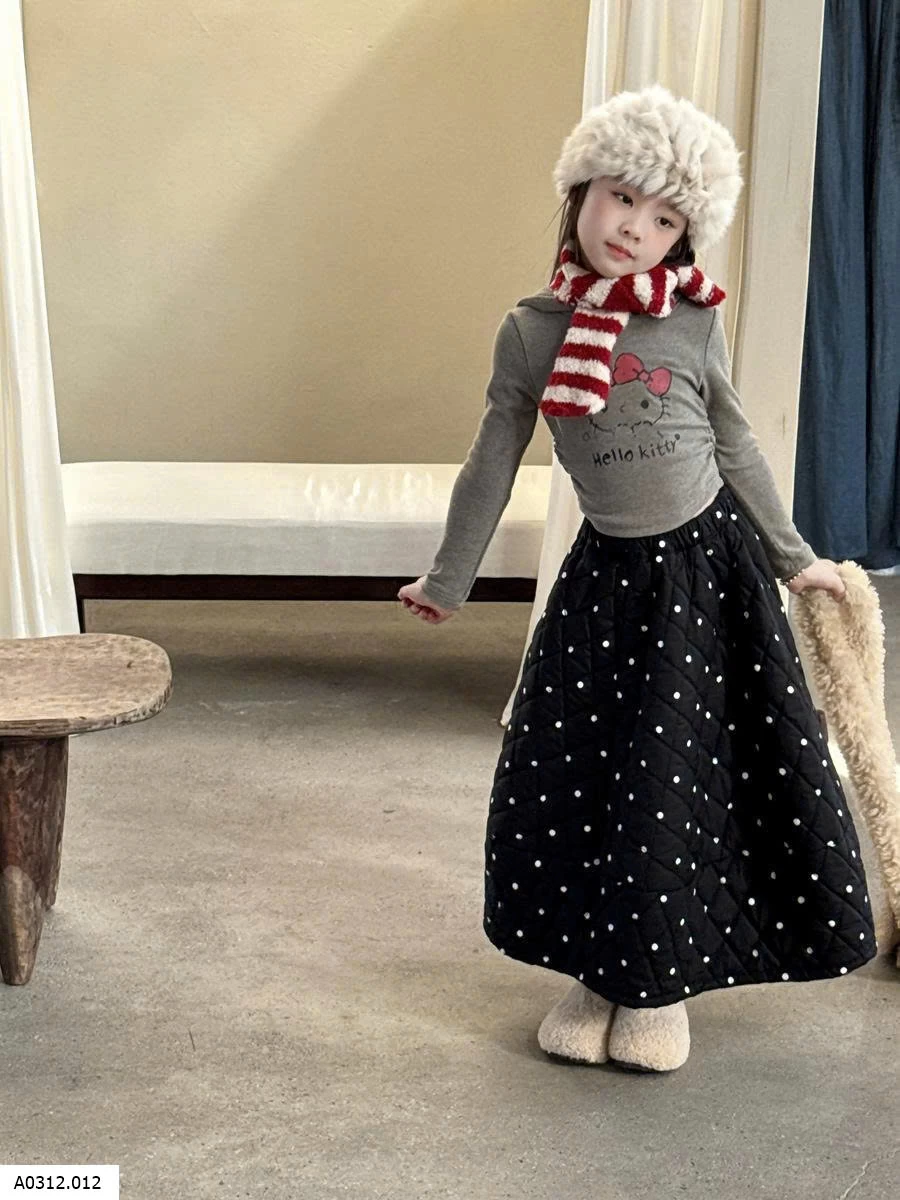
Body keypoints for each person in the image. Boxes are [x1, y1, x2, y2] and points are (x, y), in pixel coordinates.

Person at [398, 85, 877, 1072]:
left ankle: (660, 989)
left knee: (677, 781)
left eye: (665, 220)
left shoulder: (691, 323)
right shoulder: (530, 331)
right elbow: (494, 457)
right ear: (580, 191)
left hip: (706, 581)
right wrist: (448, 579)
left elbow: (736, 445)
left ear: (684, 237)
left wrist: (794, 559)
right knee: (591, 776)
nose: (636, 229)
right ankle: (596, 974)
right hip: (607, 584)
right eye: (623, 198)